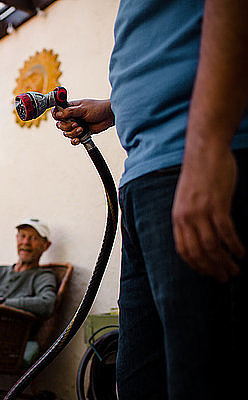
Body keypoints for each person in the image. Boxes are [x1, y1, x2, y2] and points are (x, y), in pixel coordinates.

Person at [52, 1, 247, 399]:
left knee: (200, 378)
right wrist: (115, 107)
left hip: (189, 159)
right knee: (141, 381)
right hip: (144, 178)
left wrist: (209, 146)